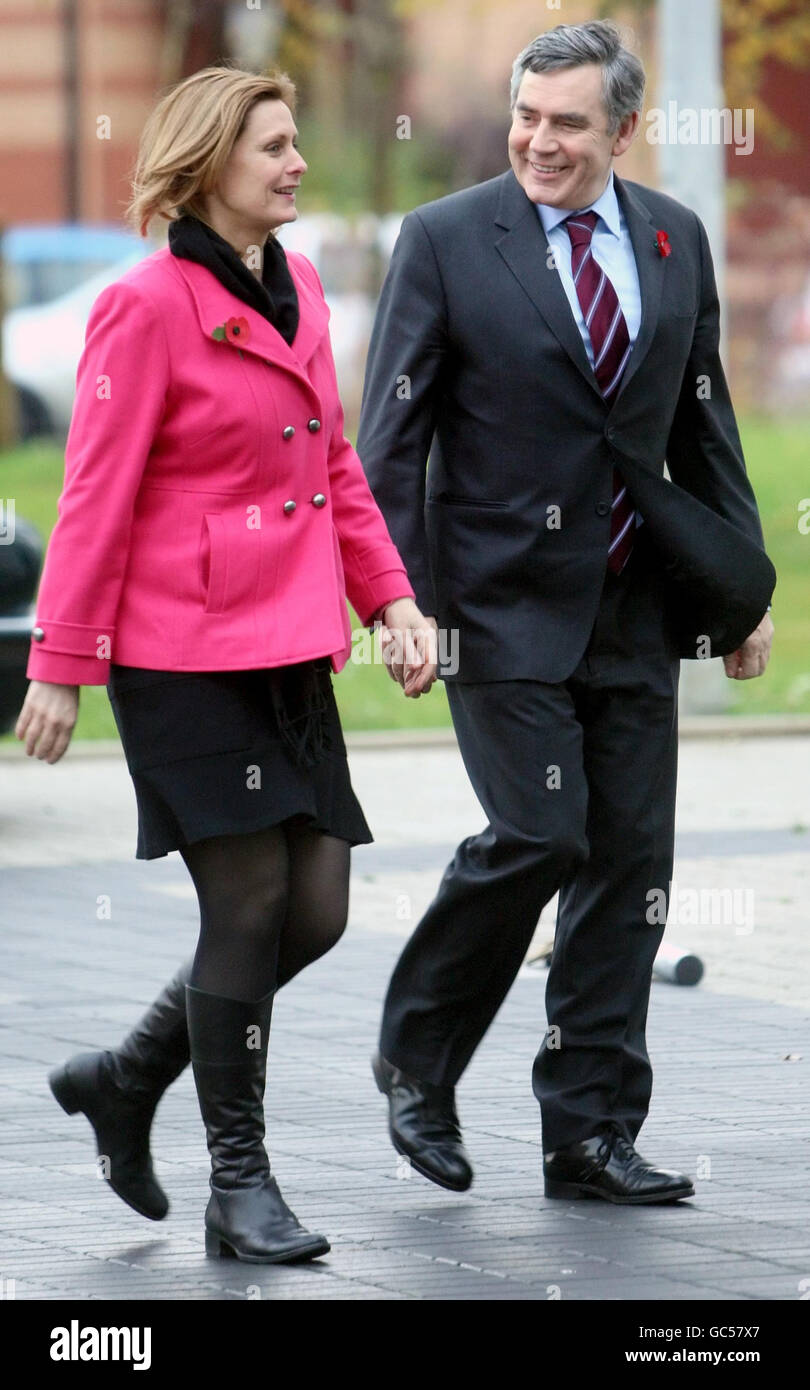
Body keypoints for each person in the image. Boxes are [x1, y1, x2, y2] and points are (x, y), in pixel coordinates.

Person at [15, 64, 434, 1263]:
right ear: (210, 165)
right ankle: (239, 1186)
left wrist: (390, 596)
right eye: (275, 148)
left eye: (296, 142)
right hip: (183, 656)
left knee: (317, 910)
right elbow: (93, 493)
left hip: (293, 647)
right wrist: (60, 660)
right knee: (246, 905)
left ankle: (126, 1074)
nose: (298, 164)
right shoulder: (142, 308)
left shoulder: (299, 283)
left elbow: (335, 467)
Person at [360, 21, 775, 1203]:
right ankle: (416, 1056)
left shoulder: (671, 237)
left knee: (631, 865)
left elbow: (706, 430)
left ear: (623, 131)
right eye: (526, 118)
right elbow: (392, 442)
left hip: (635, 608)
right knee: (543, 836)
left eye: (568, 123)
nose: (539, 142)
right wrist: (396, 598)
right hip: (496, 609)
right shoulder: (446, 240)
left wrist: (736, 588)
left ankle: (587, 1133)